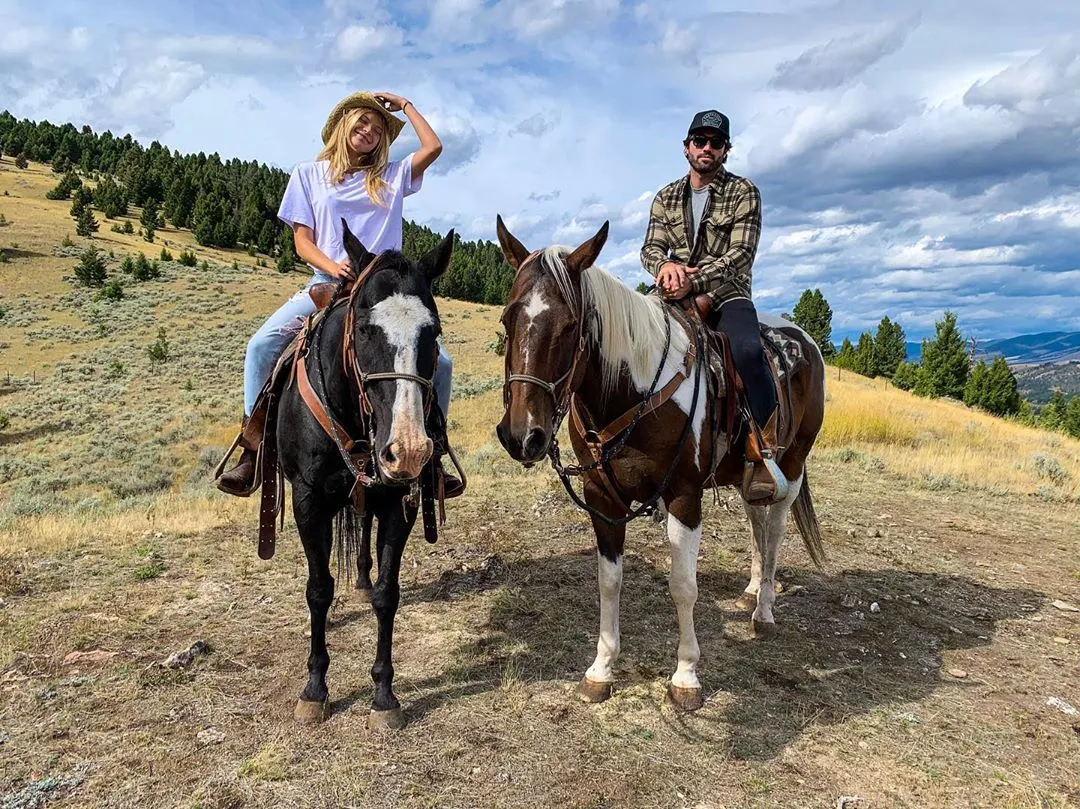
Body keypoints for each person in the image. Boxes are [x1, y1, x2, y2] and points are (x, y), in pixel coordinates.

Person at [216, 90, 462, 498]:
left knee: (444, 365)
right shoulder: (308, 175)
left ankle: (433, 456)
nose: (369, 131)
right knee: (261, 347)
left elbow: (433, 146)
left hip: (386, 293)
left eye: (379, 129)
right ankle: (253, 451)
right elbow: (302, 240)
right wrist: (333, 266)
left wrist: (405, 107)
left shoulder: (390, 177)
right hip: (327, 285)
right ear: (344, 123)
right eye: (363, 121)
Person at [640, 109, 786, 505]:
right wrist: (665, 266)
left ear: (726, 150)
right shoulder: (666, 196)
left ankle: (762, 448)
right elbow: (650, 247)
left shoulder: (743, 192)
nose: (707, 148)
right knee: (637, 347)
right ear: (686, 147)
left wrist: (695, 279)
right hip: (673, 294)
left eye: (716, 143)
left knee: (748, 352)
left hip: (728, 293)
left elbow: (742, 254)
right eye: (699, 141)